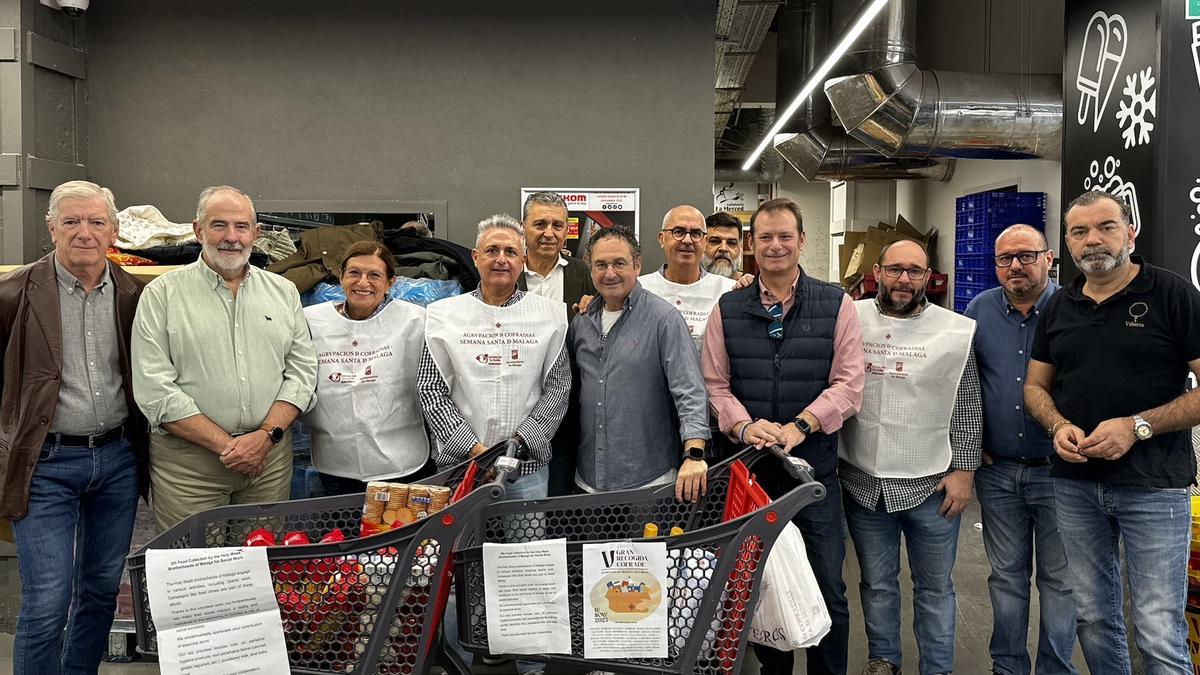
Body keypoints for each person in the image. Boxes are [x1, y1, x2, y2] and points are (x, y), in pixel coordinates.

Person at [1025, 190, 1200, 675]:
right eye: (1079, 232)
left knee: (1157, 628)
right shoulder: (1060, 306)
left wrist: (1138, 427)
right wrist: (1057, 425)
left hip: (1154, 487)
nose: (1092, 240)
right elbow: (1036, 386)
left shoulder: (1172, 294)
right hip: (1074, 485)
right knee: (1096, 619)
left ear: (1130, 232)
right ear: (1067, 243)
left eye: (1105, 226)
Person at [702, 197, 864, 675]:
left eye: (785, 236)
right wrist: (745, 426)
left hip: (814, 475)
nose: (775, 246)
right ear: (752, 245)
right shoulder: (727, 309)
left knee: (827, 588)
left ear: (802, 241)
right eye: (765, 237)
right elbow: (715, 384)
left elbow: (849, 385)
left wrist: (800, 426)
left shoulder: (837, 304)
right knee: (762, 585)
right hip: (751, 478)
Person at [0, 180, 148, 674]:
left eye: (96, 221)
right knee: (46, 601)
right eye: (72, 222)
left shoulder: (136, 295)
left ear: (114, 229)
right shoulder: (13, 295)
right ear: (51, 229)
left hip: (118, 460)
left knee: (100, 591)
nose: (85, 232)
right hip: (46, 464)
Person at [419, 214, 569, 675]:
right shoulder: (444, 316)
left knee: (527, 564)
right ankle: (461, 659)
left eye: (510, 251)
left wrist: (521, 445)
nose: (501, 259)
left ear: (523, 260)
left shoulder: (549, 315)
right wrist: (474, 449)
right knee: (458, 565)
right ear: (477, 258)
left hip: (525, 471)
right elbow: (430, 388)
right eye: (492, 251)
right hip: (462, 469)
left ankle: (530, 661)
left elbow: (558, 388)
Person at [132, 185, 317, 532]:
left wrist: (264, 438)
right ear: (198, 230)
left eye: (241, 226)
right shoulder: (162, 295)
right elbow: (154, 389)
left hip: (268, 460)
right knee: (194, 573)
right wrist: (232, 447)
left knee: (260, 570)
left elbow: (303, 373)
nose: (231, 237)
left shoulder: (283, 292)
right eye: (219, 225)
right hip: (190, 468)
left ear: (256, 234)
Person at [839, 239, 981, 675]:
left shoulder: (954, 331)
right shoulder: (849, 318)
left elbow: (967, 402)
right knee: (876, 584)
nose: (904, 279)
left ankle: (936, 668)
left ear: (927, 277)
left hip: (932, 486)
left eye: (914, 271)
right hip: (863, 482)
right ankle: (884, 660)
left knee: (935, 589)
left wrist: (965, 470)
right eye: (895, 270)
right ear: (876, 272)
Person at [965, 225, 1076, 675]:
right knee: (1007, 579)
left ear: (1049, 259)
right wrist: (970, 447)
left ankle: (1054, 669)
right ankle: (1007, 667)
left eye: (1026, 256)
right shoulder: (979, 310)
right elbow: (963, 386)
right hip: (998, 473)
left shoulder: (1074, 309)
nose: (1015, 266)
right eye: (1005, 258)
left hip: (1061, 473)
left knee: (1060, 582)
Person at [570, 226, 710, 499]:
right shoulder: (581, 323)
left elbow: (690, 390)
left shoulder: (664, 319)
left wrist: (694, 454)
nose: (609, 273)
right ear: (591, 270)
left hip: (648, 485)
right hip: (586, 482)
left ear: (637, 265)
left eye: (619, 263)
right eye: (600, 264)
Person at [302, 240, 432, 496]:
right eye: (354, 273)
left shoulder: (416, 320)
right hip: (336, 462)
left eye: (374, 275)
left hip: (402, 462)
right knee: (344, 533)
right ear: (341, 278)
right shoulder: (311, 321)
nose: (363, 283)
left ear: (390, 283)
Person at [639, 205, 736, 352]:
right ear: (662, 239)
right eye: (678, 232)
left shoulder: (728, 290)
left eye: (696, 233)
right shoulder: (638, 289)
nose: (687, 240)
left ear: (704, 242)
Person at [517, 191, 595, 320]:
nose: (549, 234)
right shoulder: (507, 271)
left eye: (557, 225)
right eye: (540, 224)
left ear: (566, 231)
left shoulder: (582, 272)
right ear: (523, 228)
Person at [703, 211, 743, 278]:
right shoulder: (688, 283)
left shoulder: (753, 286)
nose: (723, 248)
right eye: (715, 241)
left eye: (731, 243)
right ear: (702, 244)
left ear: (740, 249)